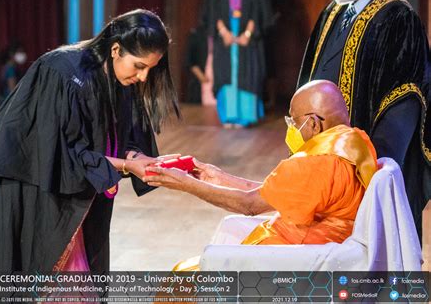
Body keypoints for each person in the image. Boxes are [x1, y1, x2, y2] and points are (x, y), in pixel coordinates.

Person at [0, 9, 180, 273]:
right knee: (26, 265)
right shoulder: (61, 73)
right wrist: (127, 166)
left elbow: (117, 138)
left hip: (65, 180)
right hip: (25, 177)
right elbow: (59, 154)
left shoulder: (120, 78)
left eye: (149, 69)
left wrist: (139, 158)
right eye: (139, 66)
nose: (143, 77)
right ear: (115, 49)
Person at [145, 80, 377, 251]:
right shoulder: (356, 142)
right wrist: (218, 177)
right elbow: (273, 193)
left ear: (314, 124)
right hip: (333, 243)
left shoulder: (314, 163)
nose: (291, 128)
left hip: (299, 251)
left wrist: (186, 185)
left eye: (293, 121)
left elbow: (250, 205)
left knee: (182, 283)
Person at [296, 0, 430, 240]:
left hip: (360, 182)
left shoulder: (399, 19)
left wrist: (367, 174)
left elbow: (402, 109)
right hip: (320, 169)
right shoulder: (333, 11)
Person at [203, 0, 273, 127]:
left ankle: (245, 117)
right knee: (226, 73)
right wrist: (223, 32)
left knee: (247, 72)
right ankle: (228, 116)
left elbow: (259, 8)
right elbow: (212, 8)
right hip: (224, 33)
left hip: (249, 35)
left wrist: (247, 34)